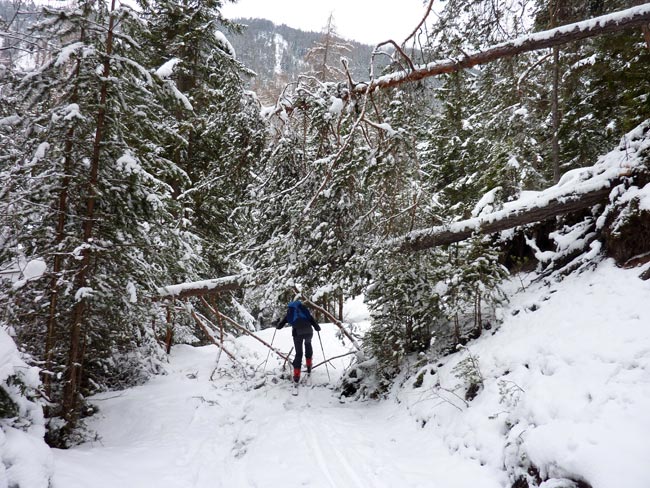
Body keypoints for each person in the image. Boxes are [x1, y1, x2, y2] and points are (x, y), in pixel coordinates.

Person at [276, 300, 321, 384]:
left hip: (297, 334)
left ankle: (296, 375)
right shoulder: (304, 310)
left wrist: (277, 325)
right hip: (308, 332)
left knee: (299, 353)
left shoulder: (290, 312)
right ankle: (308, 366)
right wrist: (317, 327)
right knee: (308, 345)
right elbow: (312, 320)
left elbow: (280, 326)